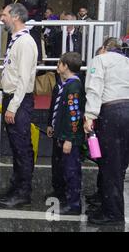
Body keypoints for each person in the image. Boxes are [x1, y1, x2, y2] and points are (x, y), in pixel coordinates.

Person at [0, 3, 38, 208]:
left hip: (19, 101)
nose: (1, 18)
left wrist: (13, 106)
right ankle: (16, 186)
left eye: (4, 15)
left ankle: (23, 192)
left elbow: (24, 78)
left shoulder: (26, 42)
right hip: (13, 99)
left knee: (22, 149)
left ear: (16, 17)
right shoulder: (16, 40)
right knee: (16, 147)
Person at [83, 38, 129, 225]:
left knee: (110, 166)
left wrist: (90, 115)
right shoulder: (127, 62)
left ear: (104, 49)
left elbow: (94, 88)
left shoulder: (100, 60)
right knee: (120, 165)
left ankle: (113, 213)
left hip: (112, 113)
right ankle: (109, 206)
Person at [46, 52, 84, 215]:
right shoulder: (63, 85)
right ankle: (63, 195)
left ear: (66, 66)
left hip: (69, 137)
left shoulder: (73, 86)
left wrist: (70, 138)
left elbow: (74, 115)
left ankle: (73, 204)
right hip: (60, 133)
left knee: (71, 170)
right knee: (62, 167)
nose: (57, 66)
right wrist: (51, 123)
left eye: (59, 63)